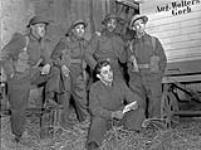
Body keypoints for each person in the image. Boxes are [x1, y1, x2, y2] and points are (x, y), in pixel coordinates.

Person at [0, 16, 60, 142]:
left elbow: (48, 59)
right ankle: (19, 134)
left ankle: (49, 99)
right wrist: (10, 73)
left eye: (44, 27)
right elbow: (4, 54)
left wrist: (48, 64)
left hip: (32, 74)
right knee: (19, 108)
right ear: (31, 28)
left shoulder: (41, 42)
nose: (42, 29)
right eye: (39, 26)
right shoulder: (22, 39)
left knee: (54, 71)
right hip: (18, 78)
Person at [87, 60, 145, 150]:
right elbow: (94, 109)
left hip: (121, 116)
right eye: (105, 72)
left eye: (110, 70)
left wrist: (136, 103)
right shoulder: (94, 88)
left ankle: (129, 133)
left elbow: (131, 96)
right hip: (106, 118)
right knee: (97, 119)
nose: (110, 74)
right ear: (99, 76)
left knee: (139, 111)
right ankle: (93, 144)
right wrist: (112, 114)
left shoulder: (119, 83)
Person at [51, 19, 94, 129]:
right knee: (64, 99)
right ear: (72, 30)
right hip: (66, 74)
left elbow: (89, 58)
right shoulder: (65, 41)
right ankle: (62, 125)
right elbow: (54, 58)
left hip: (78, 74)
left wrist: (98, 68)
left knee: (82, 98)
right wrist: (62, 65)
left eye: (82, 28)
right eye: (78, 28)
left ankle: (85, 121)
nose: (80, 30)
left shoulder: (85, 43)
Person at [127, 14, 167, 118]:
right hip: (137, 78)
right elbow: (128, 65)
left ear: (144, 25)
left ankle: (155, 129)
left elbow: (162, 60)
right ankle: (140, 128)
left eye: (141, 24)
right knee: (139, 104)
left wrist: (158, 76)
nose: (139, 26)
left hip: (152, 77)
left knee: (155, 103)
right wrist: (133, 79)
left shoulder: (154, 41)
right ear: (133, 28)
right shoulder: (131, 45)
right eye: (136, 25)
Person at [87, 14, 127, 81]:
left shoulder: (119, 39)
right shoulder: (97, 37)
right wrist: (96, 67)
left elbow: (123, 60)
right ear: (105, 24)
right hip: (102, 68)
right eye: (109, 23)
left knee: (121, 89)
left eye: (114, 23)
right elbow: (87, 54)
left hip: (116, 70)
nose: (111, 25)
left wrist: (124, 48)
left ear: (116, 25)